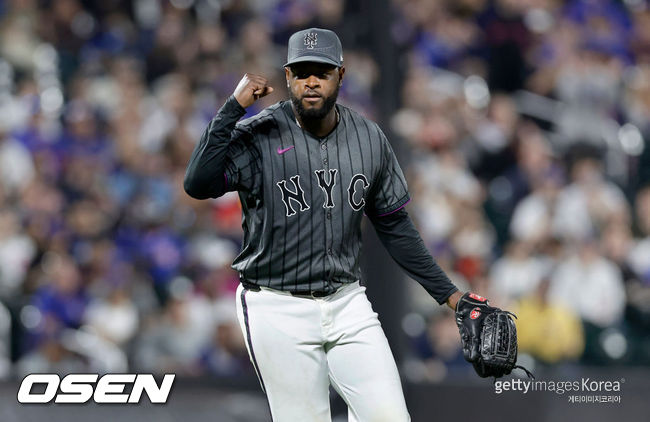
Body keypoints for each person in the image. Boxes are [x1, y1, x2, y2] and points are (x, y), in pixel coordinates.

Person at [184, 27, 463, 422]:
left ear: (340, 76)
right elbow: (198, 183)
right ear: (287, 77)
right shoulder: (260, 133)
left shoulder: (369, 139)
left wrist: (451, 296)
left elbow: (396, 228)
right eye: (301, 72)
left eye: (322, 71)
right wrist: (232, 108)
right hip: (277, 305)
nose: (311, 81)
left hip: (346, 302)